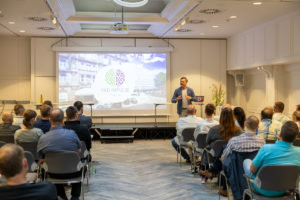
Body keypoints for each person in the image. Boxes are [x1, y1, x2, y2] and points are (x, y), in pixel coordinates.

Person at [243, 121, 300, 197]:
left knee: (247, 161)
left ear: (280, 134)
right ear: (296, 137)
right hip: (284, 189)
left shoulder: (266, 148)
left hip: (261, 189)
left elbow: (252, 170)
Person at [37, 109, 82, 200]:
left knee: (52, 167)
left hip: (53, 174)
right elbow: (79, 151)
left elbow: (41, 160)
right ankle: (75, 196)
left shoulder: (43, 138)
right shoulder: (72, 134)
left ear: (50, 120)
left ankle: (61, 195)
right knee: (79, 166)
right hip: (74, 173)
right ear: (63, 120)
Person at [200, 107, 241, 184]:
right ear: (233, 117)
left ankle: (209, 173)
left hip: (214, 156)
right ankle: (213, 173)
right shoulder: (238, 130)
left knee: (206, 149)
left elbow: (207, 141)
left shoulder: (213, 129)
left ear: (221, 117)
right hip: (232, 156)